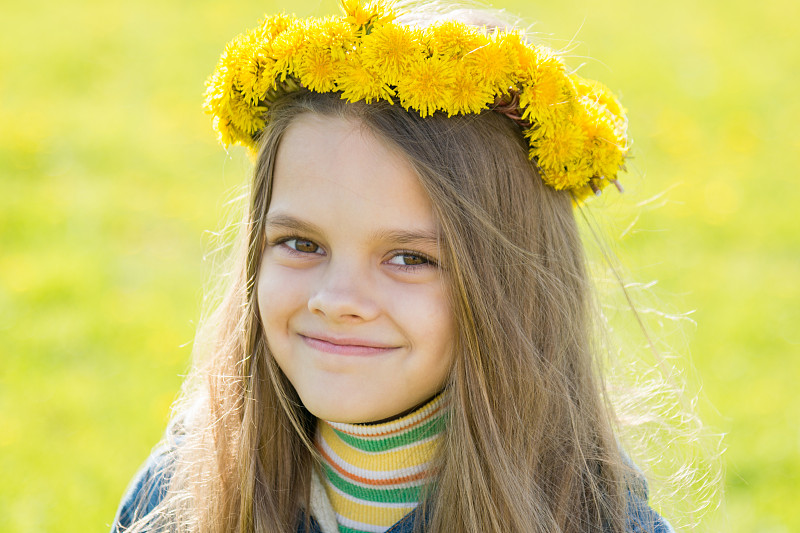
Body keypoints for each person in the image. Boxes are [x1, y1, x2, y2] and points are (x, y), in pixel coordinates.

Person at [111, 1, 680, 531]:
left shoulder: (593, 520)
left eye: (410, 258)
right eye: (301, 244)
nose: (336, 299)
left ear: (512, 285)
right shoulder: (180, 492)